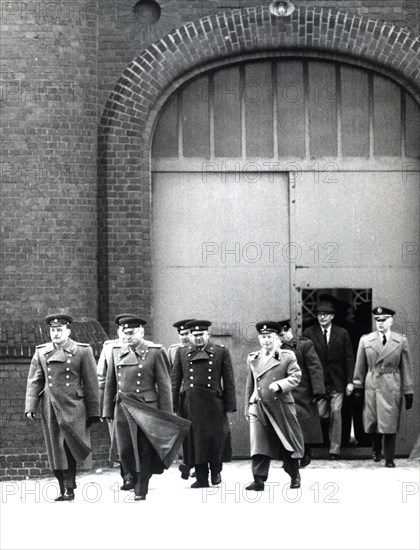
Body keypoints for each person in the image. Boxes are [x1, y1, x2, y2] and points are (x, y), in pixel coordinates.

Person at [102, 315, 188, 501]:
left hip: (147, 409)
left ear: (141, 332)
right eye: (124, 333)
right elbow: (111, 383)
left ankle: (142, 487)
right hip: (123, 409)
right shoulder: (115, 351)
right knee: (125, 450)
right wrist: (107, 410)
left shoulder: (155, 352)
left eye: (131, 333)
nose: (127, 336)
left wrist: (166, 416)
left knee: (144, 449)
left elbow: (164, 386)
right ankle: (133, 477)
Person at [25, 313, 100, 501]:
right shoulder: (42, 352)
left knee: (70, 445)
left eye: (59, 330)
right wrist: (30, 406)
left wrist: (94, 411)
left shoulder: (82, 351)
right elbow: (35, 380)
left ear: (68, 330)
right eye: (53, 330)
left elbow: (91, 382)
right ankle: (63, 486)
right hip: (51, 405)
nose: (56, 334)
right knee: (55, 447)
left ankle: (69, 485)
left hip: (74, 405)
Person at [171, 319, 237, 488]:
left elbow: (228, 380)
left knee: (216, 439)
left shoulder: (220, 352)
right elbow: (175, 380)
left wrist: (230, 404)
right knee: (196, 441)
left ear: (208, 334)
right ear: (190, 336)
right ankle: (201, 478)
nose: (198, 338)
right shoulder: (182, 352)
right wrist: (173, 404)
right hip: (191, 404)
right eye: (195, 335)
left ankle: (216, 472)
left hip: (214, 403)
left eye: (201, 335)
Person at [245, 321, 304, 491]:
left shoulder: (287, 356)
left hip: (280, 406)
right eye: (263, 337)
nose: (266, 341)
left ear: (277, 338)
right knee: (259, 444)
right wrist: (247, 406)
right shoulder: (253, 358)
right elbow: (250, 385)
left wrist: (280, 385)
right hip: (259, 406)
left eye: (269, 337)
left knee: (287, 442)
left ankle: (294, 475)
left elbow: (295, 377)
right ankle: (258, 480)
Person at [353, 306, 414, 467]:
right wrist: (358, 387)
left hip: (391, 383)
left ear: (391, 321)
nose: (380, 323)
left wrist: (408, 390)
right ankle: (376, 447)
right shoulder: (366, 340)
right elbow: (360, 365)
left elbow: (406, 367)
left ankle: (389, 458)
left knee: (390, 422)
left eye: (384, 320)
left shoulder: (400, 340)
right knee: (373, 421)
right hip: (372, 383)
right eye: (377, 320)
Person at [303, 300, 355, 459]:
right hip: (318, 382)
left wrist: (350, 381)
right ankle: (312, 446)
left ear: (332, 316)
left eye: (325, 314)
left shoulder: (342, 333)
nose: (322, 317)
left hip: (337, 382)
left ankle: (334, 450)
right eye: (319, 314)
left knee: (336, 412)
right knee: (319, 414)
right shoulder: (309, 333)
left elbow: (349, 358)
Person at [279, 319, 326, 467]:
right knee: (286, 424)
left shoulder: (304, 345)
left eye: (281, 335)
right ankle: (289, 455)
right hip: (284, 390)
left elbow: (315, 367)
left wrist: (318, 390)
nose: (279, 338)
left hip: (303, 390)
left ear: (288, 332)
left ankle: (305, 453)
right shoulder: (276, 348)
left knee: (303, 424)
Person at [97, 313, 135, 491]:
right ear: (118, 330)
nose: (126, 334)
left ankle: (140, 474)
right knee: (121, 441)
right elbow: (101, 377)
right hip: (116, 402)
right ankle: (127, 476)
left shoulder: (144, 347)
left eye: (130, 330)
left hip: (139, 402)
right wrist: (105, 406)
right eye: (123, 329)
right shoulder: (109, 349)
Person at [167, 318, 196, 480]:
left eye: (187, 333)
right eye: (181, 334)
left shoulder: (198, 349)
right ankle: (186, 461)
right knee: (182, 430)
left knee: (196, 431)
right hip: (181, 397)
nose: (184, 337)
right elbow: (170, 374)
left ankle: (193, 463)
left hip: (196, 397)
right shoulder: (173, 350)